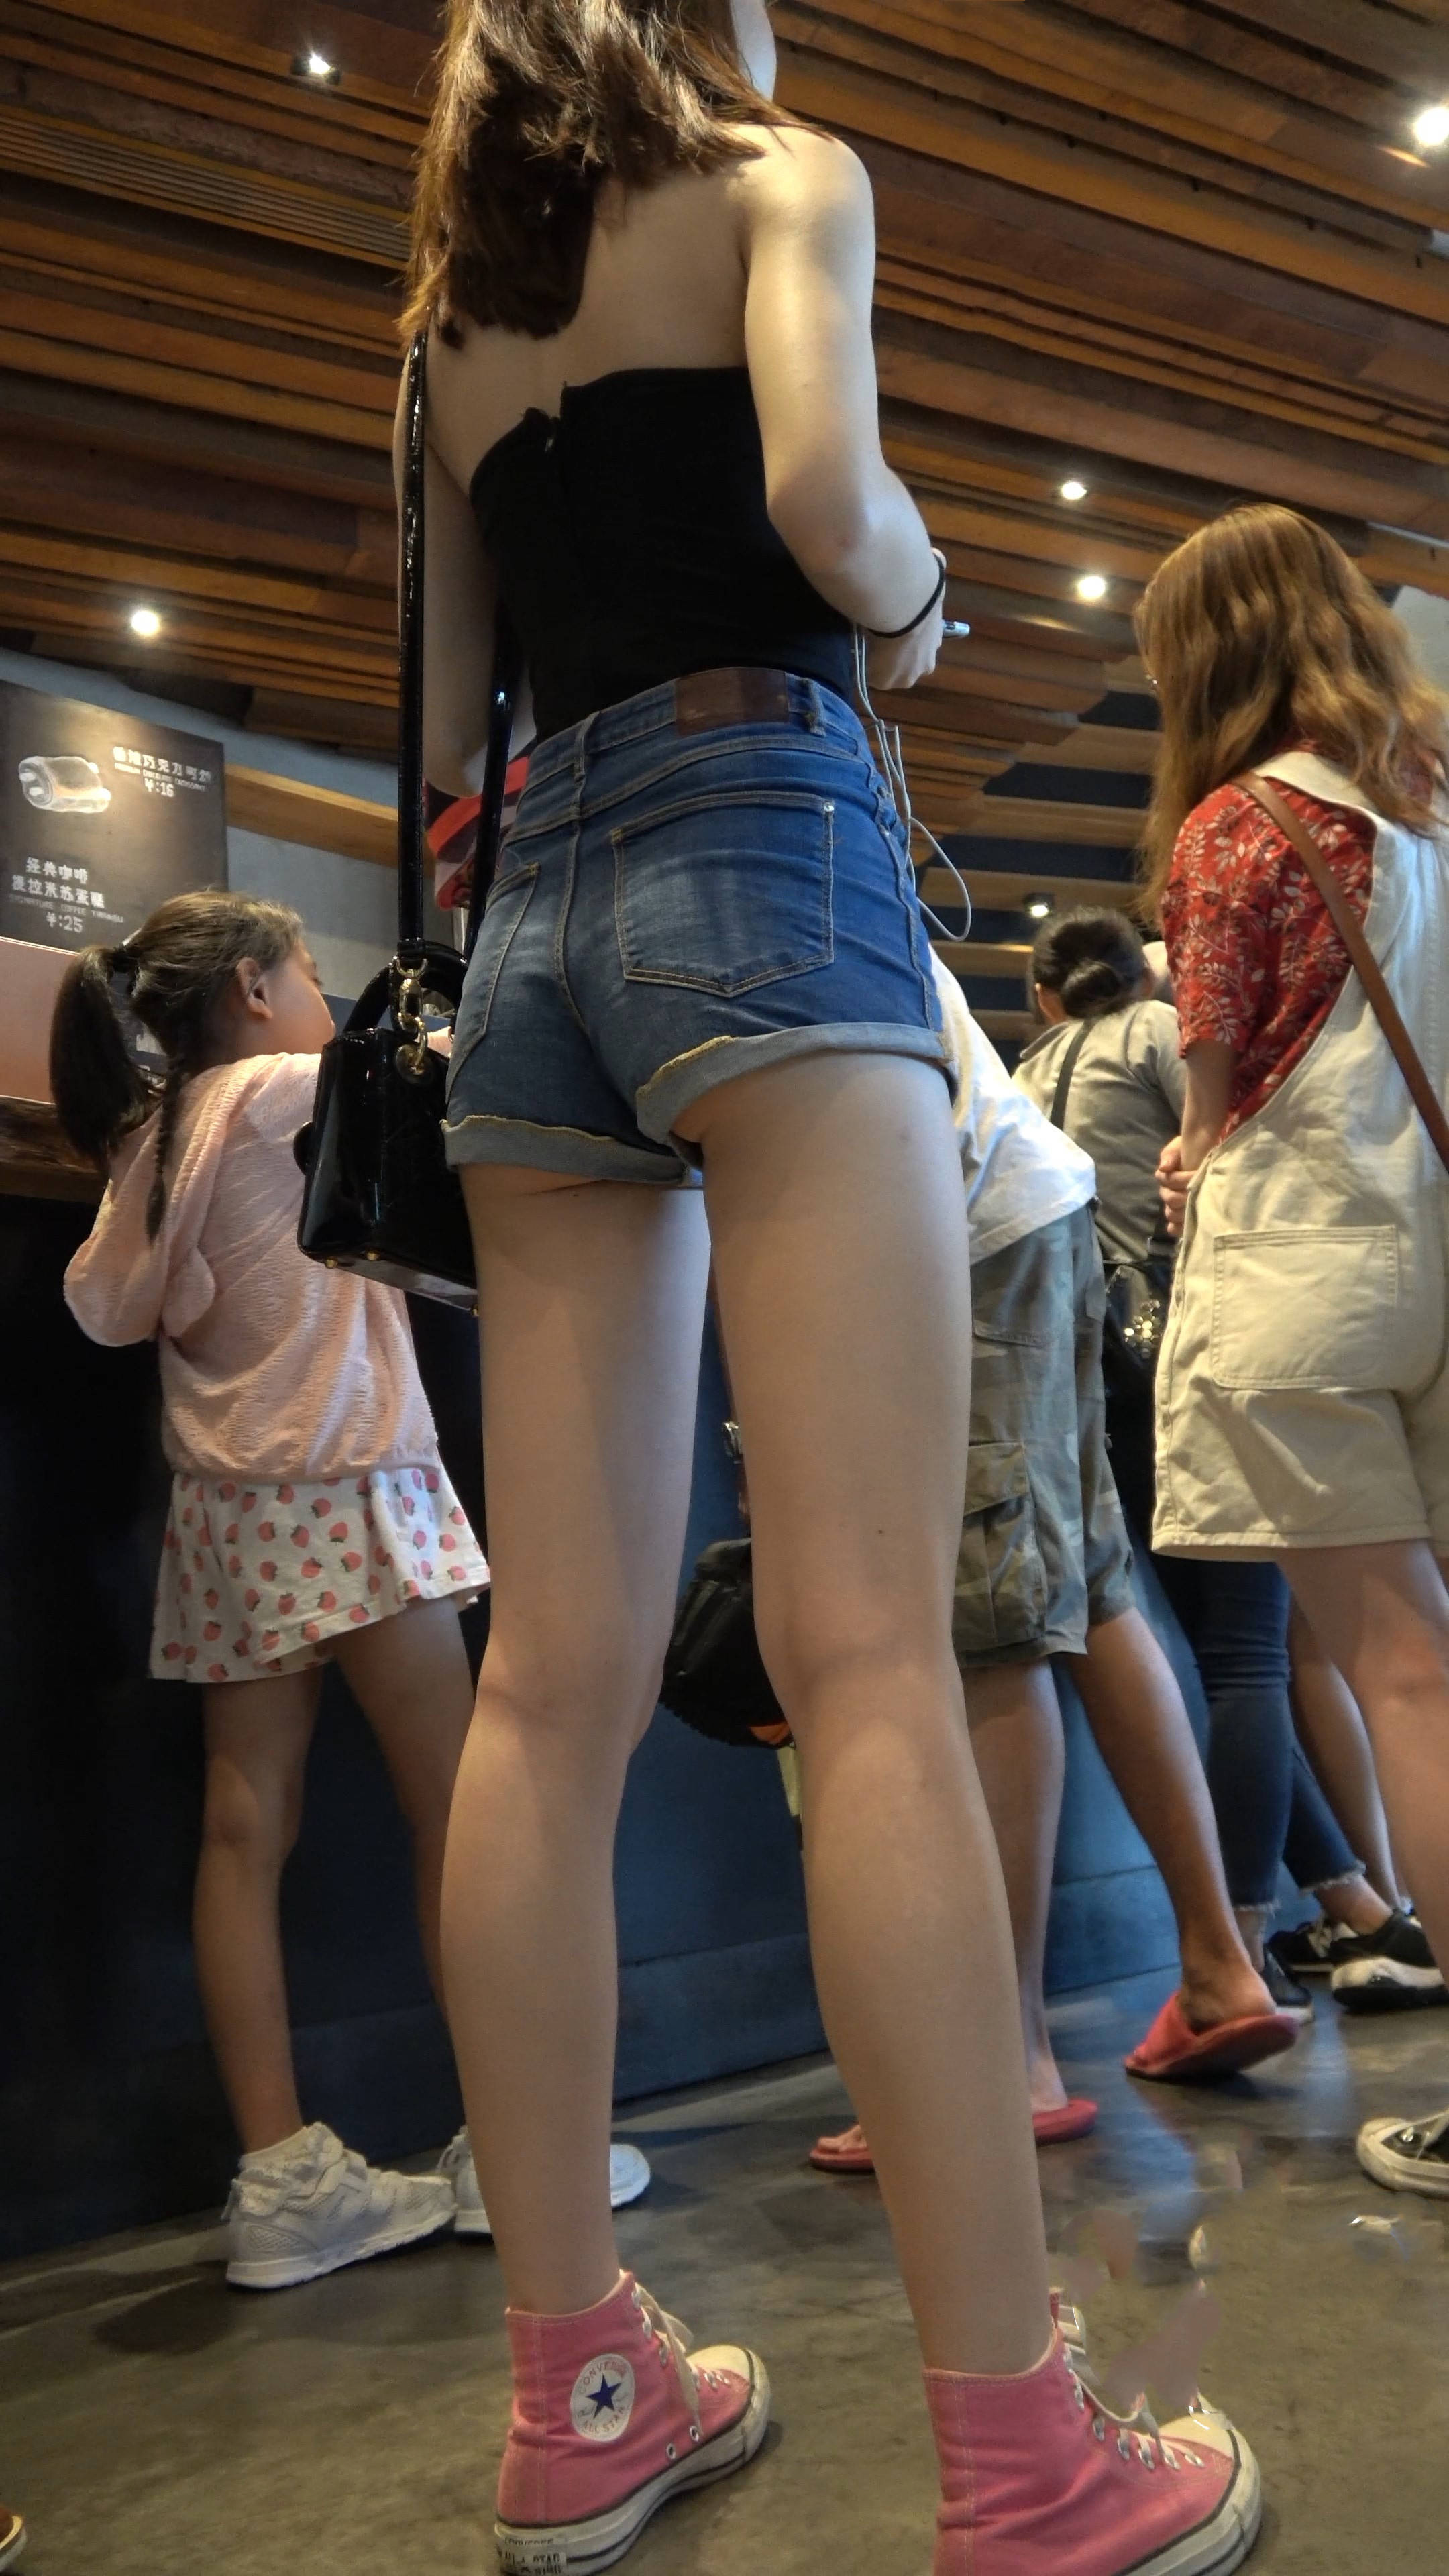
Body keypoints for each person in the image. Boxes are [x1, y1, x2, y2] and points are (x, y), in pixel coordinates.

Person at [404, 10, 1264, 2566]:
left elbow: (449, 721)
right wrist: (919, 590)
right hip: (764, 838)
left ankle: (582, 2395)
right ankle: (1026, 2460)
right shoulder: (786, 170)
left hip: (531, 919)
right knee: (876, 1653)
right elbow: (826, 502)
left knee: (541, 1694)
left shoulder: (451, 314)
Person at [54, 892, 500, 2288]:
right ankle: (512, 2139)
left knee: (243, 1831)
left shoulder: (154, 1135)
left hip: (230, 1509)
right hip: (350, 1475)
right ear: (254, 989)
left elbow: (102, 1302)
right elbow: (464, 1069)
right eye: (308, 973)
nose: (324, 999)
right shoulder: (280, 1093)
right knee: (466, 1811)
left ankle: (284, 2181)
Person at [811, 948, 1293, 2182]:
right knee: (1095, 1588)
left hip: (963, 1233)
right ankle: (1217, 1965)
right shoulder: (824, 870)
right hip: (1026, 1209)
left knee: (997, 1627)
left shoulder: (703, 879)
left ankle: (1007, 2050)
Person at [1140, 502, 1449, 2201]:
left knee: (1400, 1676)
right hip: (1437, 1256)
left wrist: (1191, 1154)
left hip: (1307, 1281)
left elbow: (1210, 1097)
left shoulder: (1235, 828)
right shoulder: (1430, 806)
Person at [1017, 908, 1440, 2023]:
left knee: (1217, 1658)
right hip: (1187, 1352)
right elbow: (1230, 1159)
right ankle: (1238, 1955)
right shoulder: (1161, 1036)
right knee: (1251, 1658)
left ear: (1047, 997)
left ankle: (1348, 1906)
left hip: (1088, 1380)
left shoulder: (1027, 1070)